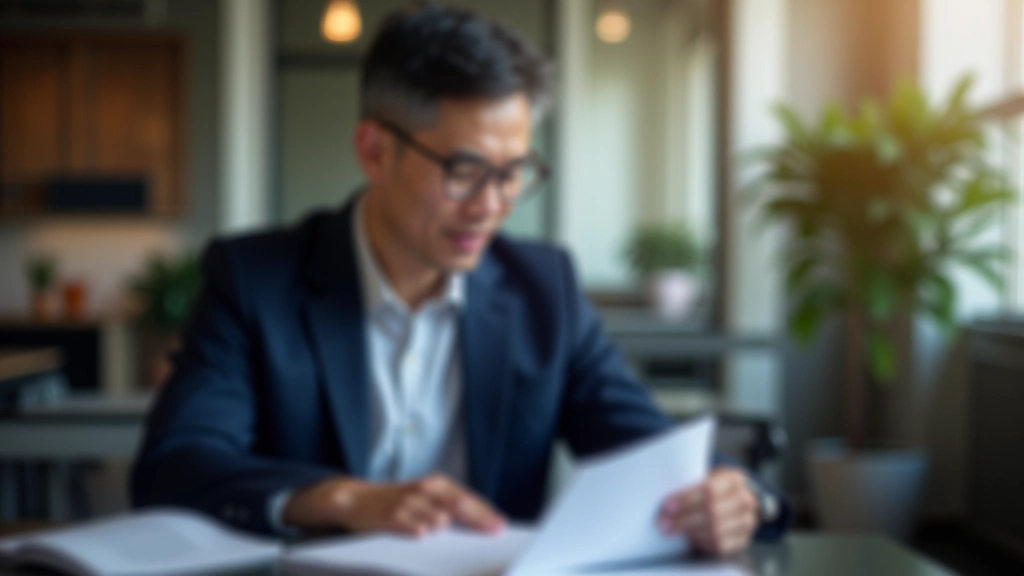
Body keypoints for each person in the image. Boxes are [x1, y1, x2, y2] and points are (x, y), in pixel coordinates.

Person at [131, 2, 788, 557]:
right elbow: (175, 465)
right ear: (374, 151)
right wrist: (344, 499)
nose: (491, 205)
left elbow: (646, 445)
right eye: (465, 171)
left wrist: (737, 497)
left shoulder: (544, 291)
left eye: (513, 173)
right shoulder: (256, 281)